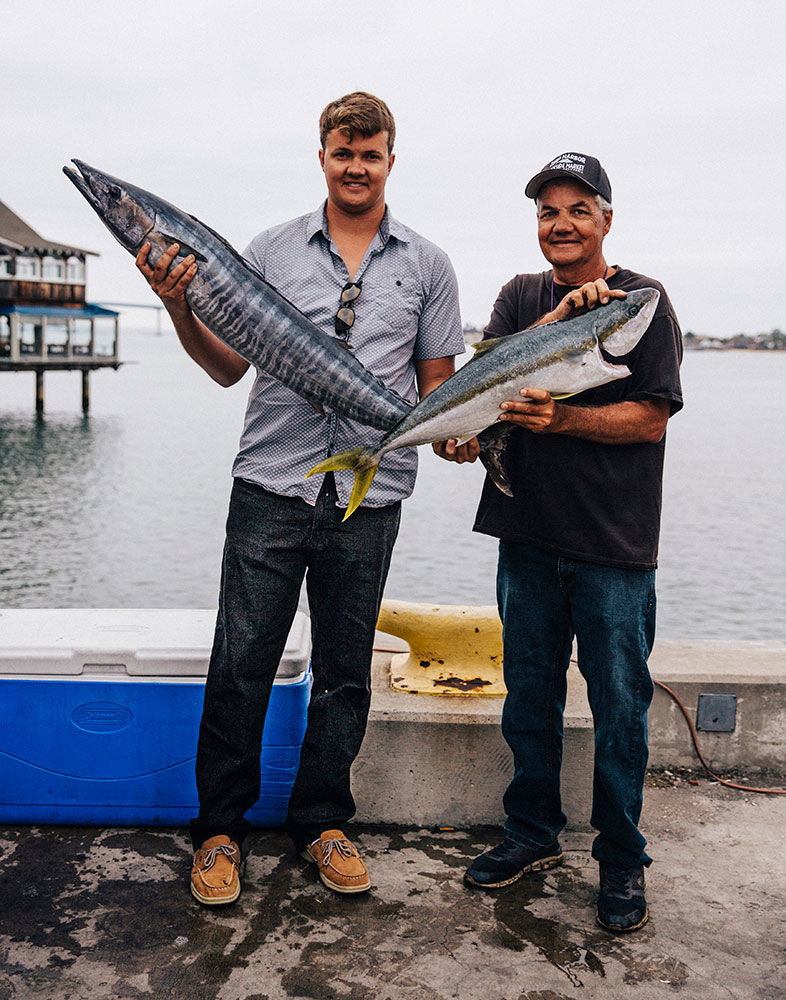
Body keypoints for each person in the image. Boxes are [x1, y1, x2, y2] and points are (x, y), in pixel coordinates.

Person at [135, 92, 464, 904]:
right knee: (240, 665)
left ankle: (322, 821)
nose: (357, 166)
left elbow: (438, 392)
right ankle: (219, 832)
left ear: (392, 159)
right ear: (321, 154)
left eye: (372, 154)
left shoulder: (428, 265)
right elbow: (225, 368)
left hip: (371, 494)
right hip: (271, 486)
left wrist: (467, 435)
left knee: (346, 674)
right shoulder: (267, 251)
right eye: (343, 152)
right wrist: (177, 300)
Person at [435, 152, 683, 932]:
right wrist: (460, 440)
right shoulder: (518, 298)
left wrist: (566, 418)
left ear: (607, 217)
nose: (562, 223)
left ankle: (620, 861)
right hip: (527, 535)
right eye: (548, 211)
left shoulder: (643, 304)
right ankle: (531, 835)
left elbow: (651, 417)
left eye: (579, 208)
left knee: (620, 708)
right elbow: (487, 386)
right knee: (528, 700)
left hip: (613, 545)